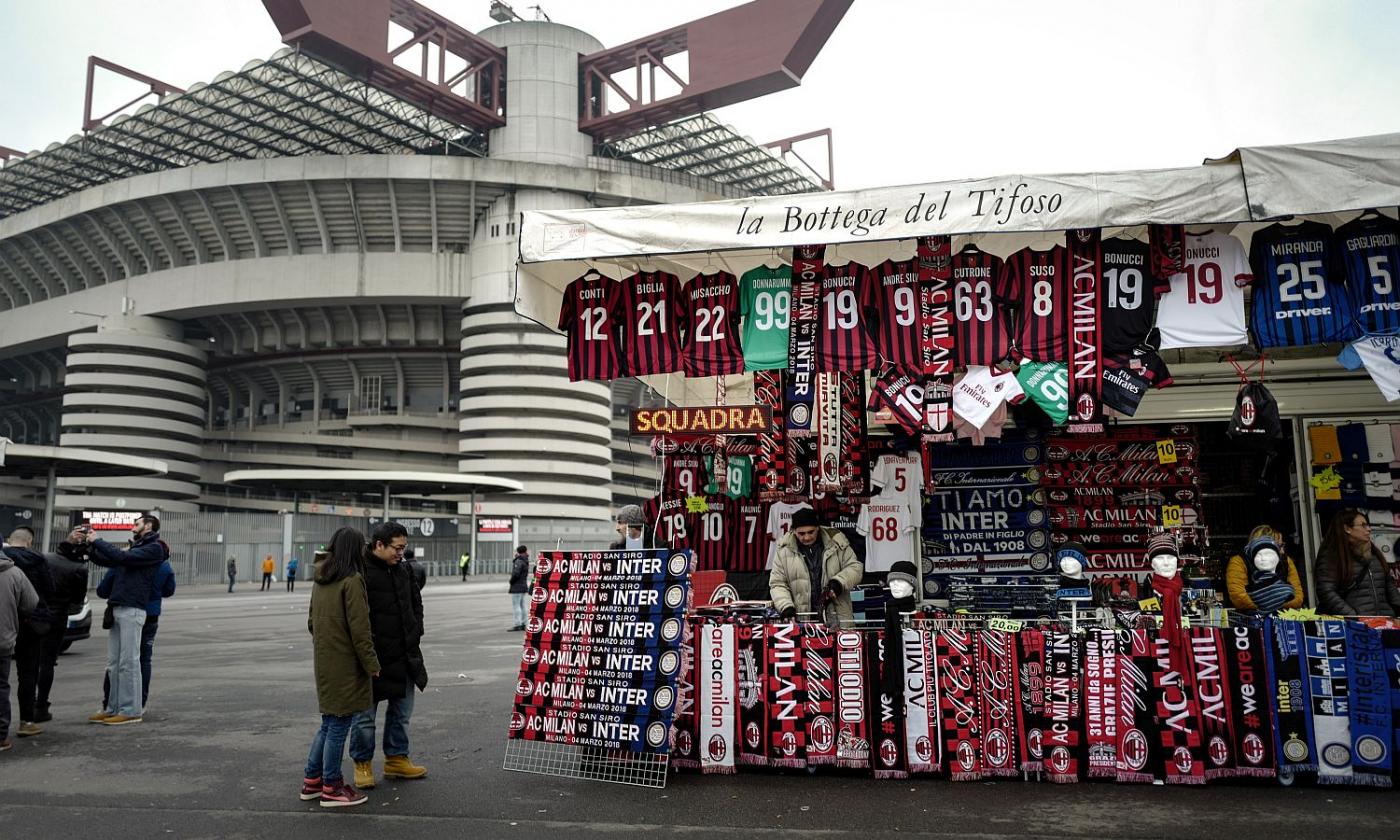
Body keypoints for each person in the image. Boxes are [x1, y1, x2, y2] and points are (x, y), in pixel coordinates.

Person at [302, 528, 380, 808]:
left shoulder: (321, 577)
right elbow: (361, 630)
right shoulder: (352, 580)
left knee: (329, 723)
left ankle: (312, 780)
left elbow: (312, 622)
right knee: (338, 726)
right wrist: (372, 664)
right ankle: (332, 787)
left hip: (325, 660)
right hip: (346, 664)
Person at [349, 521, 429, 790]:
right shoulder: (359, 572)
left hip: (405, 654)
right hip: (372, 657)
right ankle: (362, 763)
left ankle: (396, 759)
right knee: (365, 718)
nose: (401, 553)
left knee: (401, 713)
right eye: (397, 548)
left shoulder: (404, 570)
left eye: (404, 548)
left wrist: (415, 630)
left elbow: (416, 602)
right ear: (379, 545)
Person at [79, 515, 169, 726]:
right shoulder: (136, 548)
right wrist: (89, 546)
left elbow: (120, 557)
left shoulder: (154, 548)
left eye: (136, 523)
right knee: (114, 663)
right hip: (119, 606)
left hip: (133, 608)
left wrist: (97, 540)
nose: (132, 527)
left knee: (129, 662)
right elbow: (109, 559)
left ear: (148, 526)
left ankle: (130, 710)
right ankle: (113, 708)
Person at [98, 556, 174, 711]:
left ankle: (110, 703)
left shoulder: (125, 560)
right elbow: (169, 590)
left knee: (118, 659)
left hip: (126, 609)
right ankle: (140, 702)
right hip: (151, 614)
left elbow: (103, 589)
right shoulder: (163, 565)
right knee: (144, 660)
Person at [768, 508, 863, 628]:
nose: (807, 537)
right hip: (800, 622)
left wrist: (838, 583)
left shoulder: (837, 542)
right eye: (801, 534)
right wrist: (786, 607)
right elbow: (777, 584)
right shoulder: (783, 550)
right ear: (793, 531)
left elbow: (856, 567)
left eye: (811, 532)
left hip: (838, 621)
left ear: (818, 528)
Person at [2, 528, 56, 738]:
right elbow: (48, 590)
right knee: (28, 672)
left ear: (9, 540)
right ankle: (27, 721)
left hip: (5, 620)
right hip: (31, 622)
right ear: (30, 542)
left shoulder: (5, 559)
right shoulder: (37, 559)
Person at [34, 535, 90, 723]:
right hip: (58, 617)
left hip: (36, 613)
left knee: (29, 663)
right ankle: (41, 706)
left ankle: (27, 706)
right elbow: (77, 598)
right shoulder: (79, 569)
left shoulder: (45, 558)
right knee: (47, 663)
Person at [1314, 508, 1400, 617]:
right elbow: (1326, 592)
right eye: (1363, 525)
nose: (1368, 529)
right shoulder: (1332, 555)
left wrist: (1397, 612)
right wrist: (1353, 616)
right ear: (1347, 528)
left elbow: (1389, 585)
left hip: (1383, 622)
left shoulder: (1374, 554)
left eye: (1368, 525)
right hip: (1353, 626)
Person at [0, 542, 40, 752]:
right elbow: (31, 603)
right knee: (1, 686)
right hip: (4, 639)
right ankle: (1, 737)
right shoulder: (15, 573)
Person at [1225, 525, 1303, 613]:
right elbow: (1239, 597)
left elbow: (1298, 597)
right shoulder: (1239, 562)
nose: (1282, 551)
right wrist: (1266, 610)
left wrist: (1270, 607)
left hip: (1282, 618)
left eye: (1282, 546)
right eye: (1279, 546)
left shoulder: (1286, 561)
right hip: (1252, 619)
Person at [508, 545, 530, 632]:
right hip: (523, 585)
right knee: (522, 605)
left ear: (518, 552)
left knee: (516, 606)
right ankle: (524, 623)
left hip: (517, 586)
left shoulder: (519, 561)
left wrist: (511, 581)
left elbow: (516, 573)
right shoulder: (525, 560)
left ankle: (518, 624)